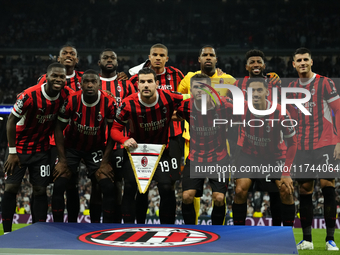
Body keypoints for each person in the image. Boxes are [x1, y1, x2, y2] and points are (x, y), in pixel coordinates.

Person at [111, 68, 184, 224]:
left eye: (149, 81)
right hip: (135, 151)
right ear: (137, 85)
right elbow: (114, 129)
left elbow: (189, 98)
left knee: (166, 188)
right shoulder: (128, 103)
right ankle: (130, 228)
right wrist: (124, 140)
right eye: (142, 82)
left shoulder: (169, 98)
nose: (146, 85)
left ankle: (167, 228)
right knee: (131, 188)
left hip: (161, 150)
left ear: (157, 84)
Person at [2, 63, 67, 233]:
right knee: (11, 188)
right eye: (55, 76)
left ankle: (39, 230)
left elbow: (58, 129)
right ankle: (7, 232)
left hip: (41, 150)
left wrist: (61, 158)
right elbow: (10, 121)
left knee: (40, 190)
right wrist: (12, 152)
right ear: (47, 76)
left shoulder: (63, 97)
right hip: (19, 149)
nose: (58, 79)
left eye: (62, 77)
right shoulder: (29, 95)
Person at [287, 48, 340, 251]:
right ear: (293, 64)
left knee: (328, 186)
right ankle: (307, 239)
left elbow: (338, 110)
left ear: (311, 62)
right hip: (302, 146)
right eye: (298, 60)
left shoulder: (325, 83)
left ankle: (330, 239)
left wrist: (339, 141)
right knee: (305, 190)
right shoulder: (291, 87)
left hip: (326, 143)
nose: (302, 63)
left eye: (305, 59)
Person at [129, 43, 185, 223]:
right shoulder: (137, 78)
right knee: (141, 187)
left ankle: (167, 226)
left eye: (162, 55)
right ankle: (139, 225)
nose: (158, 58)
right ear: (149, 57)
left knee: (168, 186)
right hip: (143, 139)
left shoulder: (178, 75)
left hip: (172, 136)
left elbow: (185, 102)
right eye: (155, 54)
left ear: (167, 58)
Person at [52, 70, 116, 223]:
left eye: (93, 82)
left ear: (99, 84)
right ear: (80, 84)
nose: (89, 85)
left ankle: (104, 227)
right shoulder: (72, 100)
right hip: (72, 147)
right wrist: (62, 160)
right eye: (86, 81)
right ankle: (58, 227)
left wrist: (105, 161)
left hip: (96, 148)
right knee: (60, 184)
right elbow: (58, 128)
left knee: (107, 187)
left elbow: (114, 131)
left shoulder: (109, 102)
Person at [232, 78, 297, 228]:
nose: (255, 93)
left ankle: (287, 234)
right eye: (252, 90)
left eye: (259, 90)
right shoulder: (240, 108)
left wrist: (286, 172)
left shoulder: (280, 112)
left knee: (286, 190)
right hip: (249, 155)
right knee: (240, 189)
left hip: (275, 157)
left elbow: (293, 143)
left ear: (267, 92)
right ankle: (238, 234)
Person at [233, 49, 283, 226]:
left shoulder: (274, 82)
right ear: (246, 66)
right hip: (247, 148)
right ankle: (237, 233)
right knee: (240, 190)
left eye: (258, 62)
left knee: (277, 192)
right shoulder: (238, 84)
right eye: (252, 62)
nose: (255, 65)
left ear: (264, 65)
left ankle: (278, 234)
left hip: (272, 149)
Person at [176, 74, 233, 225]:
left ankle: (217, 231)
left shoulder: (224, 105)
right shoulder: (185, 106)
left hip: (219, 159)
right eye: (196, 87)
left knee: (219, 199)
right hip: (195, 158)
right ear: (191, 90)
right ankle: (190, 229)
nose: (200, 90)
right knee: (187, 196)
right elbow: (174, 115)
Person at [97, 49, 136, 223]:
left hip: (121, 142)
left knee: (121, 184)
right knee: (99, 187)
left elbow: (135, 109)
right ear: (99, 63)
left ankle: (118, 225)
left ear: (118, 62)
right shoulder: (92, 82)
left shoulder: (126, 84)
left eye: (113, 57)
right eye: (105, 57)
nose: (109, 60)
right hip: (97, 142)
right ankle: (96, 226)